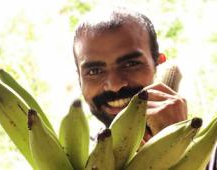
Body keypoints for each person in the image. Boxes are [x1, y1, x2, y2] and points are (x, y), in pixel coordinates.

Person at [72, 7, 215, 169]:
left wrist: (177, 144)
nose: (115, 85)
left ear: (157, 63)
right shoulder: (70, 160)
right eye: (94, 71)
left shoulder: (210, 148)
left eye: (130, 64)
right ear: (79, 78)